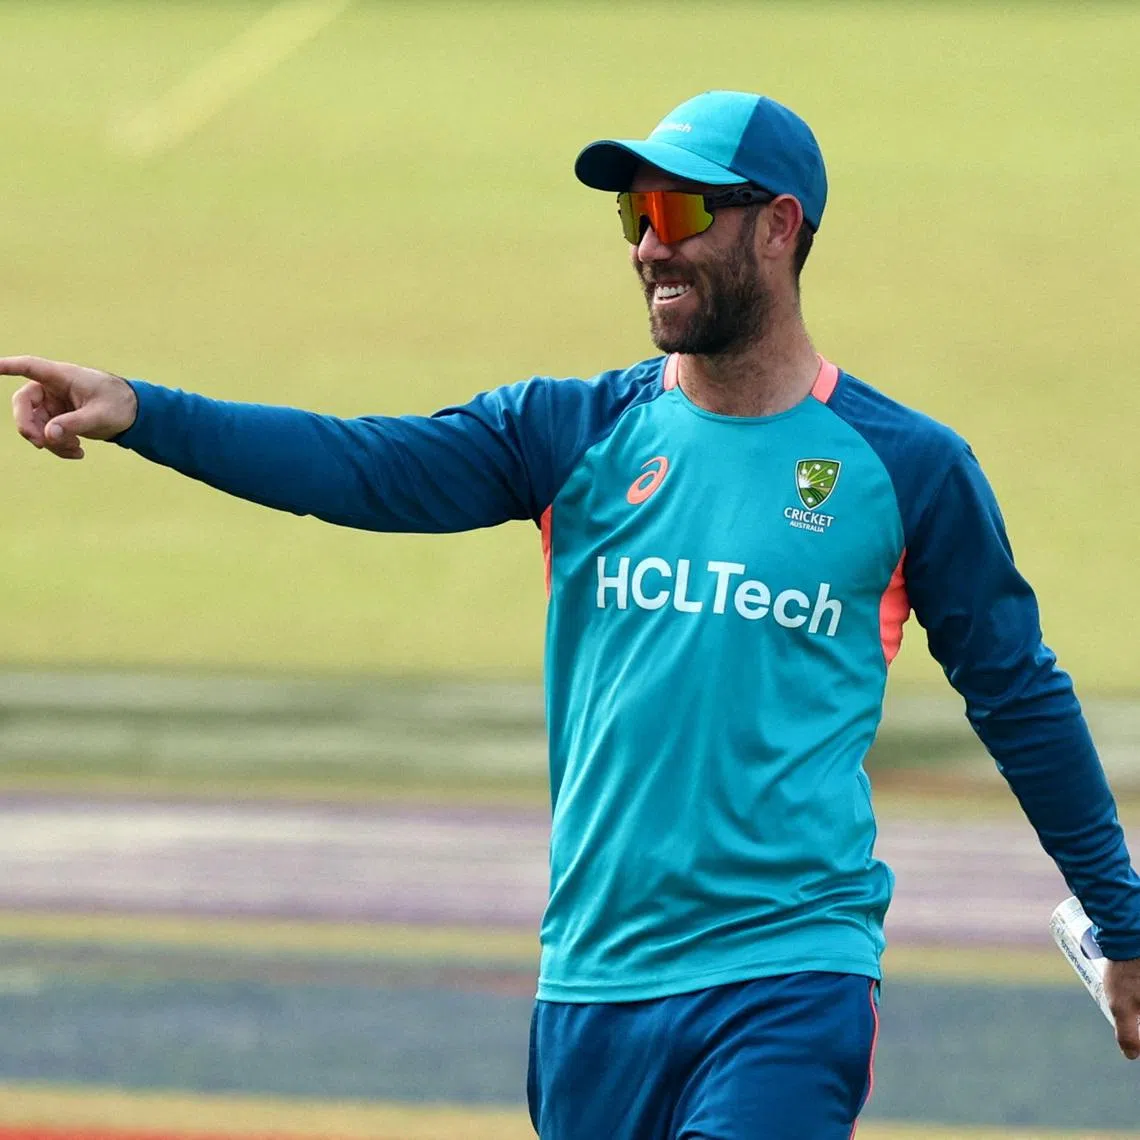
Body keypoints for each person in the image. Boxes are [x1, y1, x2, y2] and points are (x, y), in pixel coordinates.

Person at [4, 89, 1140, 1139]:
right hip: (591, 987)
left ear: (779, 226)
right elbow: (353, 466)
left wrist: (1122, 924)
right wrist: (143, 412)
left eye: (683, 207)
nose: (651, 242)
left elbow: (1017, 692)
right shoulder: (569, 433)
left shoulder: (907, 468)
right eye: (633, 213)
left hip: (788, 975)